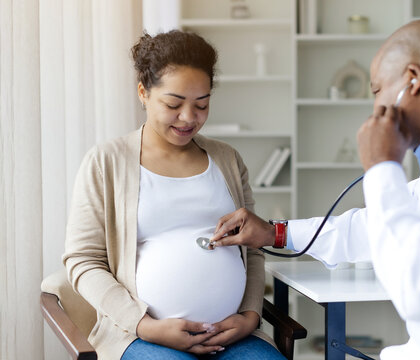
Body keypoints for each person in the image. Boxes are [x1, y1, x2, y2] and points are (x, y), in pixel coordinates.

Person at [210, 20, 420, 359]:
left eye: (377, 90)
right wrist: (273, 233)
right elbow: (365, 229)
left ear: (413, 79)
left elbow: (419, 290)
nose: (373, 109)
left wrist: (383, 166)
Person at [62, 30, 285, 360]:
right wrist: (144, 325)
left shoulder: (227, 159)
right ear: (143, 93)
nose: (188, 118)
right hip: (142, 336)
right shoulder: (106, 162)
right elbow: (82, 261)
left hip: (234, 336)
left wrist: (250, 316)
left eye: (202, 105)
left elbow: (252, 251)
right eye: (173, 104)